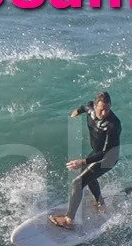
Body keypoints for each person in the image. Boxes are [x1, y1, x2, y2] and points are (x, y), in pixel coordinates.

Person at [48, 92, 122, 230]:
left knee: (78, 182)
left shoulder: (113, 125)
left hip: (109, 158)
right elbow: (84, 107)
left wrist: (82, 161)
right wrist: (76, 112)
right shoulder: (90, 108)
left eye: (107, 109)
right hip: (97, 153)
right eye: (101, 109)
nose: (104, 113)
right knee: (87, 174)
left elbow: (105, 152)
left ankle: (69, 220)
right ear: (95, 106)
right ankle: (100, 203)